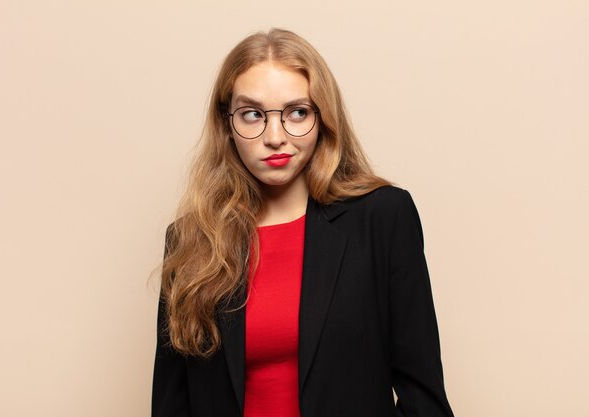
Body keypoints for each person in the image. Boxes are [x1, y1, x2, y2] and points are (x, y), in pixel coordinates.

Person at [152, 28, 455, 417]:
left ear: (323, 118)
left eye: (297, 112)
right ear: (227, 125)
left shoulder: (382, 218)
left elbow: (423, 395)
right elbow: (171, 405)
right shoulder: (190, 239)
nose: (275, 136)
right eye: (252, 114)